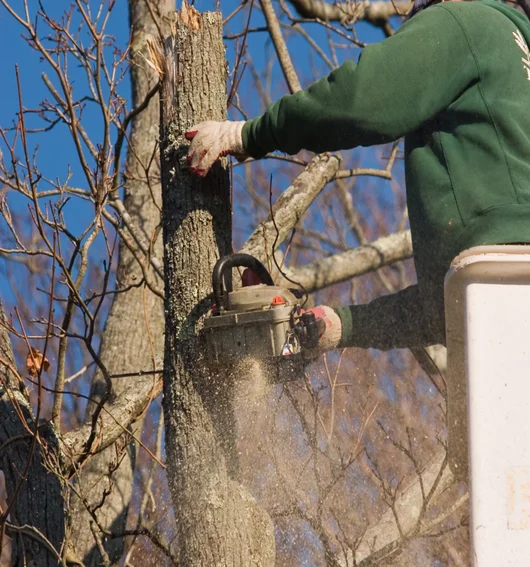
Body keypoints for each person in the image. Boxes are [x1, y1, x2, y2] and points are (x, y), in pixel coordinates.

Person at [186, 0, 530, 352]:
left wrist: (251, 135)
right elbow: (440, 312)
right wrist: (342, 325)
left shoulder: (468, 21)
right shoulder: (513, 61)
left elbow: (361, 98)